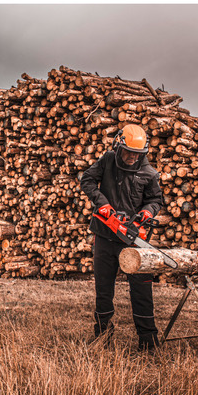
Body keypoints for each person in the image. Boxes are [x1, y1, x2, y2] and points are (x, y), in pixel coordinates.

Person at [80, 124, 164, 351]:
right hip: (105, 235)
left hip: (132, 238)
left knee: (141, 290)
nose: (131, 157)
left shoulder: (149, 173)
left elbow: (156, 200)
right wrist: (102, 203)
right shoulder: (108, 160)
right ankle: (102, 335)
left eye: (136, 154)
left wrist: (147, 213)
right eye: (128, 152)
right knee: (103, 288)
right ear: (118, 145)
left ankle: (148, 341)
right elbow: (86, 180)